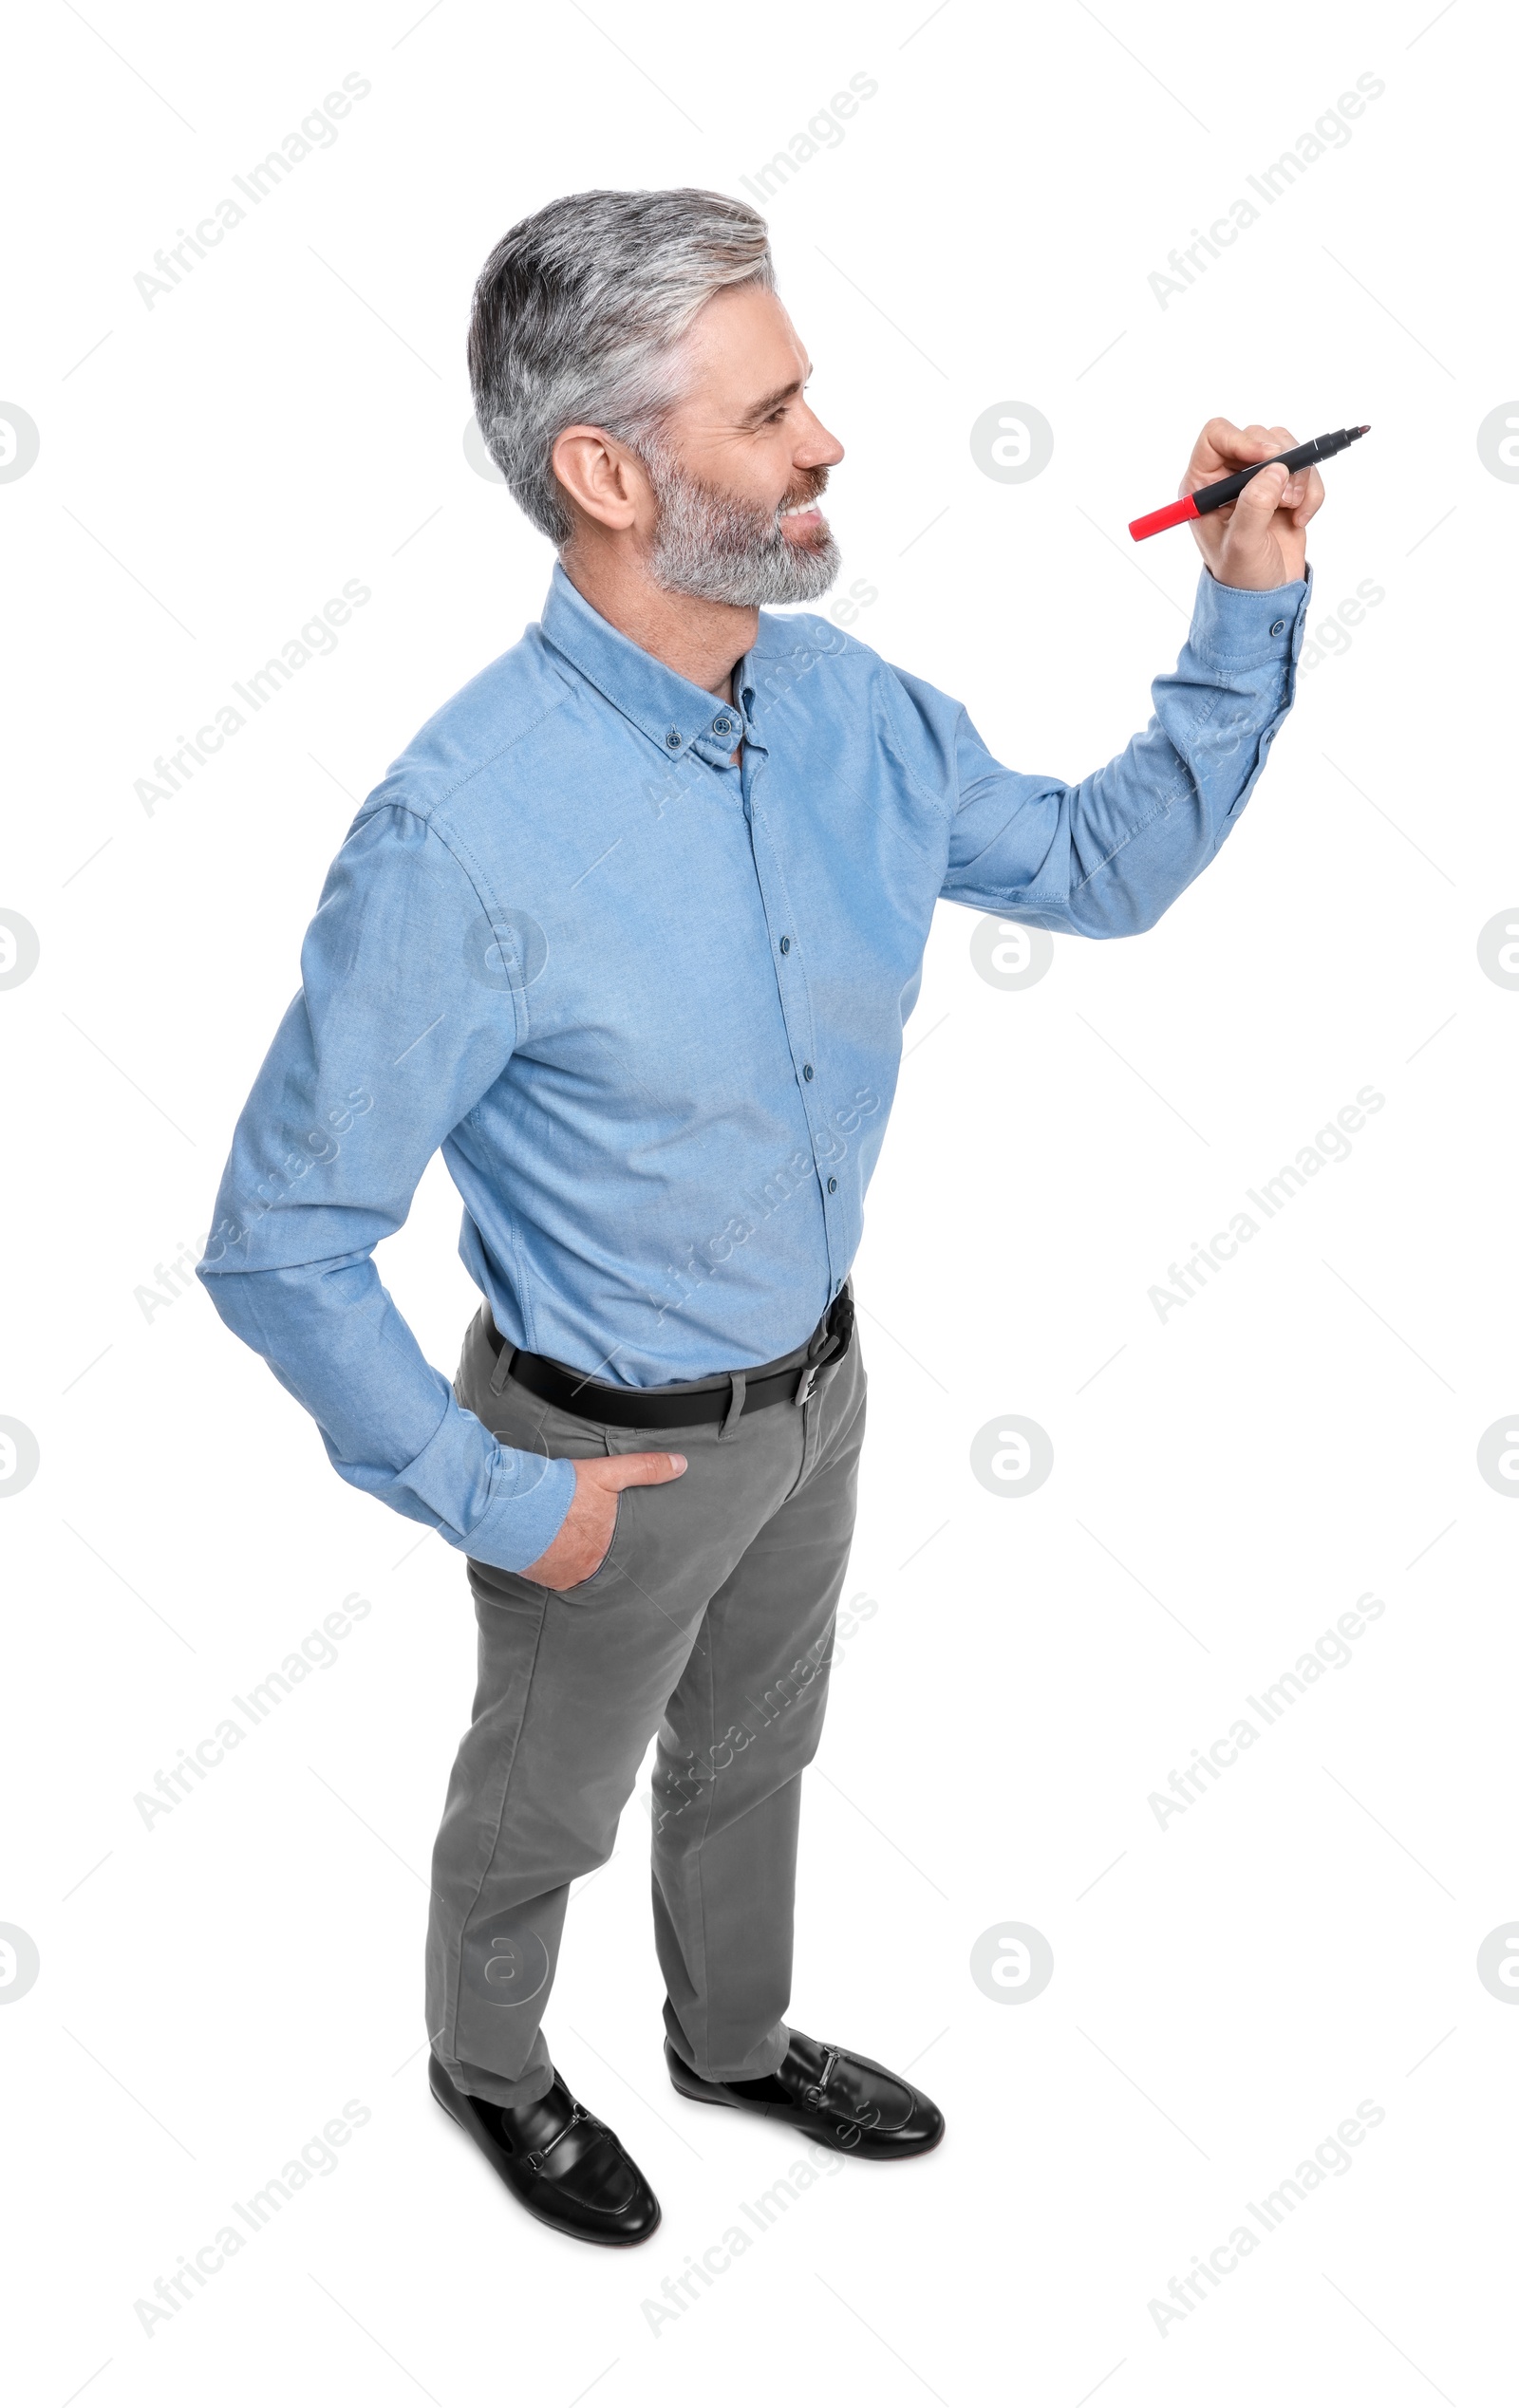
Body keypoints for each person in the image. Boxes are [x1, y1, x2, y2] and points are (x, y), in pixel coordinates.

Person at [197, 186, 1323, 2247]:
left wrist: (1239, 604)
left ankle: (728, 2045)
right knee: (539, 1809)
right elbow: (277, 1236)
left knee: (754, 1757)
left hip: (815, 1393)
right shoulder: (456, 840)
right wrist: (492, 1494)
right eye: (772, 409)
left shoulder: (846, 712)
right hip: (588, 1453)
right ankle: (495, 2068)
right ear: (608, 475)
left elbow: (1096, 867)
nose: (826, 444)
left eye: (804, 392)